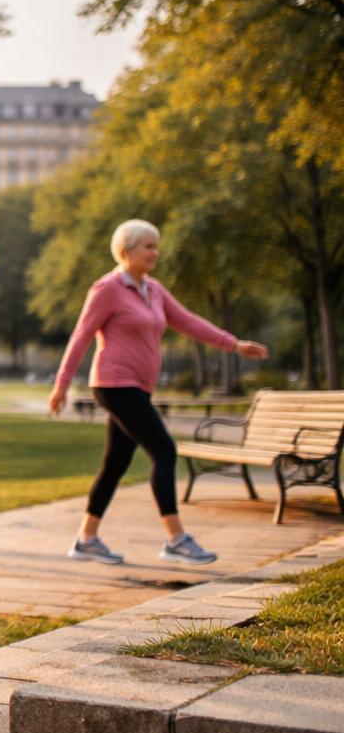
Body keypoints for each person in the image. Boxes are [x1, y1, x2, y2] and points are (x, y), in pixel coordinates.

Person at [48, 219, 269, 565]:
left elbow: (188, 321)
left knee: (116, 463)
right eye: (148, 246)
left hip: (138, 387)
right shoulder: (107, 289)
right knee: (164, 450)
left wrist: (233, 344)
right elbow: (81, 336)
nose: (155, 252)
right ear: (126, 251)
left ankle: (86, 539)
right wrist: (61, 385)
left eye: (156, 246)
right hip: (115, 384)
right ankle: (175, 538)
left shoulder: (153, 289)